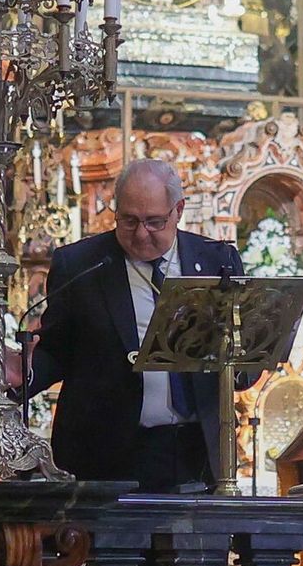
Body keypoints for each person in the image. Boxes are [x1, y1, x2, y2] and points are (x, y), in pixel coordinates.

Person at [24, 157, 255, 492]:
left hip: (199, 453)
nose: (141, 234)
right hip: (108, 455)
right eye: (128, 221)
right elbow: (57, 351)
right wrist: (25, 371)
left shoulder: (218, 261)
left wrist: (250, 354)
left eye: (154, 222)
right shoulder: (80, 265)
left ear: (179, 210)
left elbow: (242, 359)